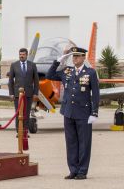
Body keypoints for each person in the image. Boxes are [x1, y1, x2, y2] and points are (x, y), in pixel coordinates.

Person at [46, 47, 99, 180]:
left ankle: (82, 171)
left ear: (83, 58)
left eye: (77, 56)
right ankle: (73, 170)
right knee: (71, 143)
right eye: (73, 56)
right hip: (68, 112)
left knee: (84, 143)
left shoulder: (90, 73)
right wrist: (59, 60)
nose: (74, 58)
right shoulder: (66, 71)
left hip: (83, 113)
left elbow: (96, 95)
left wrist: (94, 112)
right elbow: (49, 75)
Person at [8, 48, 39, 135]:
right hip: (17, 95)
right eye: (20, 54)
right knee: (18, 113)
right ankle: (19, 132)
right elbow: (10, 81)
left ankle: (25, 132)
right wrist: (11, 93)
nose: (21, 56)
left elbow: (36, 80)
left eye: (23, 54)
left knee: (26, 113)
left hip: (29, 94)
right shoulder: (14, 65)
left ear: (26, 55)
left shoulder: (32, 65)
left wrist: (36, 93)